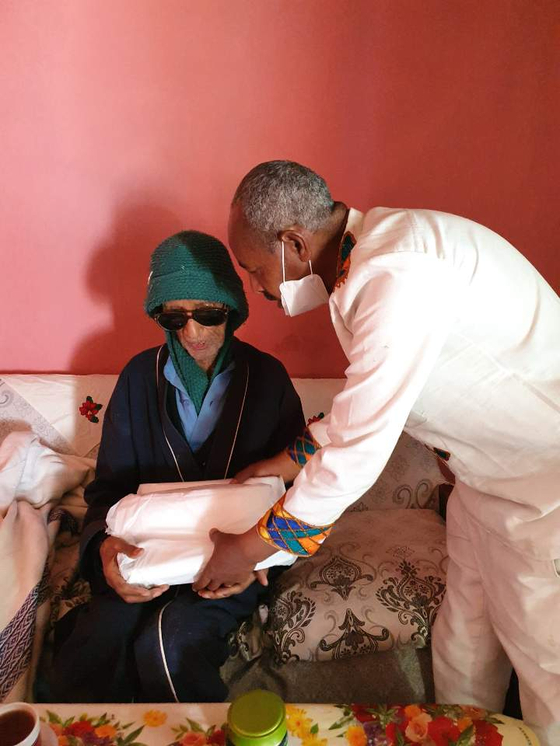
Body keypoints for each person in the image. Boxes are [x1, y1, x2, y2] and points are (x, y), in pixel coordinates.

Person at [193, 161, 560, 744]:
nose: (259, 290)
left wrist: (248, 548)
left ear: (292, 244)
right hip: (485, 482)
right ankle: (460, 734)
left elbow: (360, 448)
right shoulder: (366, 262)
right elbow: (370, 399)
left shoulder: (396, 273)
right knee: (463, 637)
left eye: (255, 269)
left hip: (543, 493)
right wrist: (289, 460)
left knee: (546, 664)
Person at [51, 230, 304, 703]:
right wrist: (104, 553)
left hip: (230, 561)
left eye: (208, 314)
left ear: (232, 310)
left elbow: (297, 487)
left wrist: (258, 558)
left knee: (171, 644)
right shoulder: (136, 379)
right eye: (174, 316)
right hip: (146, 558)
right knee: (92, 651)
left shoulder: (268, 379)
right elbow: (107, 492)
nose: (192, 333)